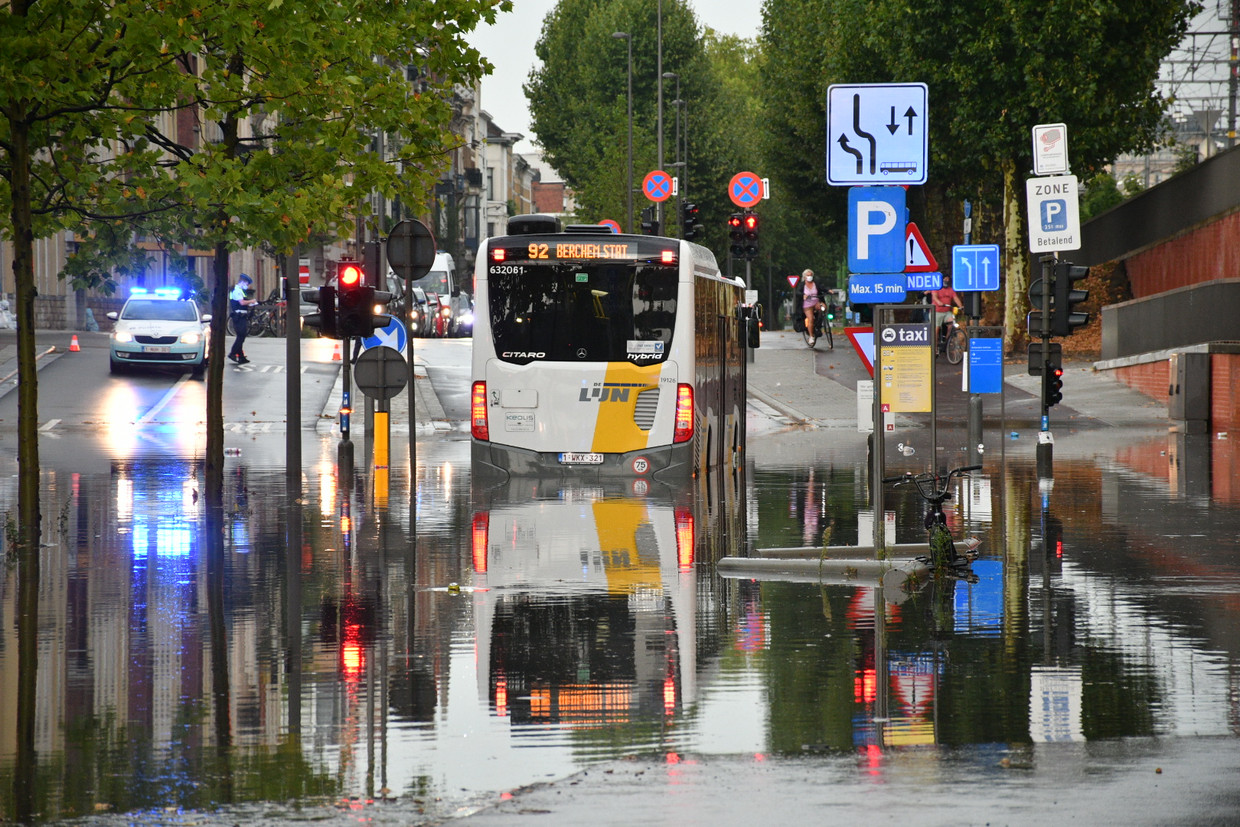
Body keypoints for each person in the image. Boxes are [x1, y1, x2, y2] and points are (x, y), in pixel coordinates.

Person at [927, 276, 964, 354]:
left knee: (952, 322)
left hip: (946, 312)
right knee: (935, 330)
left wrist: (961, 306)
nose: (946, 281)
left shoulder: (951, 290)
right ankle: (935, 348)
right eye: (945, 279)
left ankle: (946, 341)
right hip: (936, 311)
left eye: (948, 279)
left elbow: (956, 298)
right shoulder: (936, 288)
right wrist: (939, 302)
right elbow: (935, 296)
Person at [228, 273, 257, 364]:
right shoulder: (237, 291)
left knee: (241, 336)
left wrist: (250, 304)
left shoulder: (240, 291)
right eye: (247, 284)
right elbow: (241, 303)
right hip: (239, 316)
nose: (247, 286)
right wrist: (251, 301)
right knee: (241, 336)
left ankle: (241, 357)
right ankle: (233, 353)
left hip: (241, 316)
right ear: (243, 282)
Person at [795, 269, 826, 345]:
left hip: (816, 302)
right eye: (808, 275)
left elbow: (822, 288)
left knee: (823, 307)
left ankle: (819, 324)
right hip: (807, 305)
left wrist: (829, 290)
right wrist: (803, 295)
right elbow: (798, 292)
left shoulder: (816, 283)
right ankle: (811, 336)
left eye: (811, 275)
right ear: (805, 277)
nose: (809, 277)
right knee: (811, 319)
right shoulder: (802, 285)